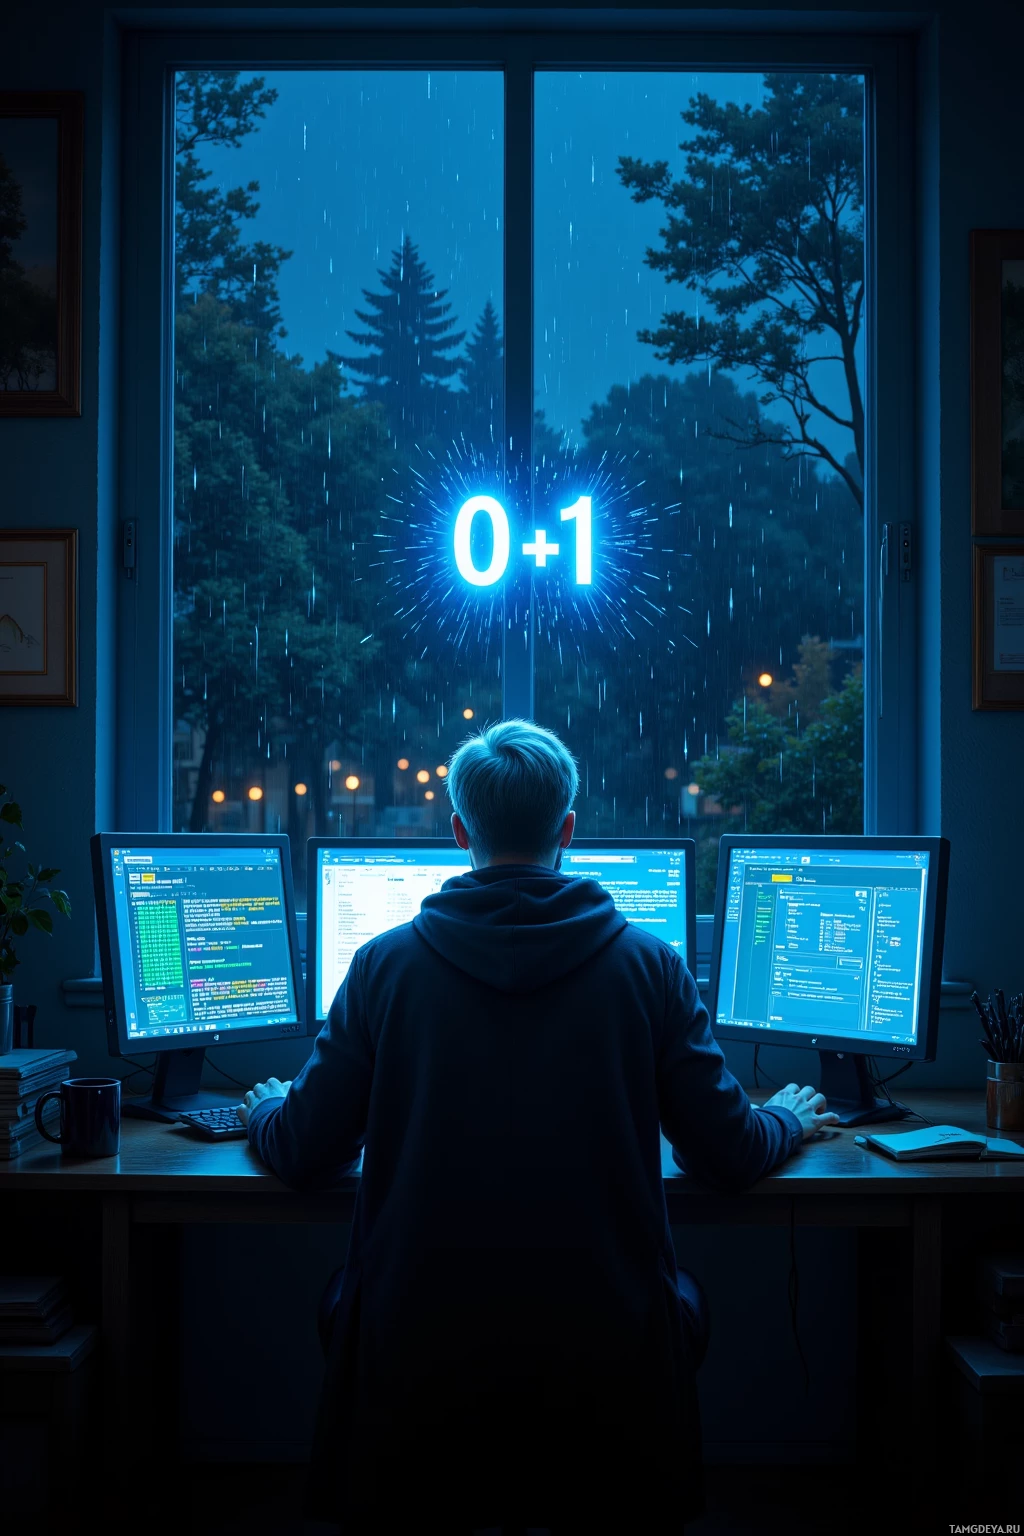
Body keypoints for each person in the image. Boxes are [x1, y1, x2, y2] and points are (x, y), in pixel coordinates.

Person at [239, 720, 838, 1535]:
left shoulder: (384, 967)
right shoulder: (650, 968)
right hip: (609, 1367)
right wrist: (786, 1121)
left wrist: (265, 1106)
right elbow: (730, 1156)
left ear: (459, 833)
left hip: (419, 1364)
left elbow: (303, 1153)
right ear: (567, 831)